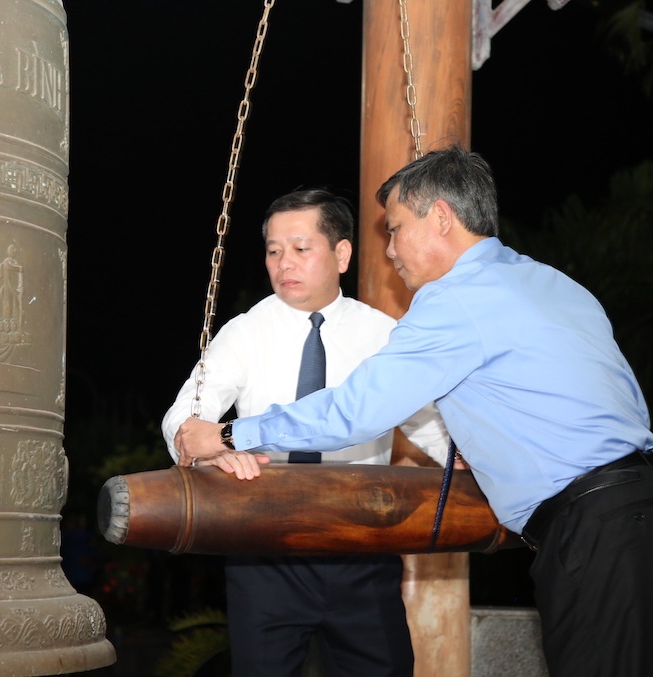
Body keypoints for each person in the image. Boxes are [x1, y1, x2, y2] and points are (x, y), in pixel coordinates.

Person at [173, 145, 653, 677]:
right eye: (272, 250)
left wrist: (235, 435)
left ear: (441, 218)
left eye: (396, 228)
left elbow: (355, 413)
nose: (392, 249)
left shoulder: (449, 304)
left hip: (596, 533)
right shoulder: (554, 283)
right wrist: (474, 452)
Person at [162, 188, 450, 677]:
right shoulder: (244, 332)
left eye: (300, 248)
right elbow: (185, 418)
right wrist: (207, 448)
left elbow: (430, 427)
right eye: (273, 250)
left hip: (362, 546)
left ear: (341, 254)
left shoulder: (384, 335)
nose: (283, 263)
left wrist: (471, 461)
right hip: (265, 551)